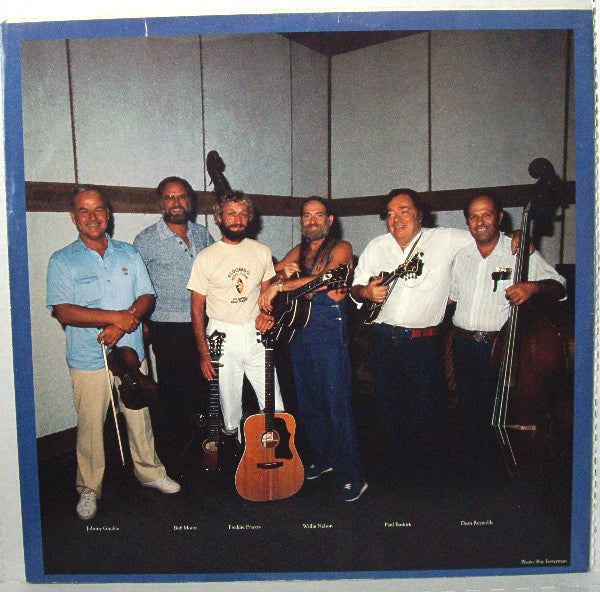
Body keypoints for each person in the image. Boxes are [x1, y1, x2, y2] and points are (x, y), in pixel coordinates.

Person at [46, 185, 180, 521]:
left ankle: (150, 472)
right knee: (90, 426)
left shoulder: (128, 253)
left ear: (108, 213)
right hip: (88, 358)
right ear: (74, 217)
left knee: (140, 416)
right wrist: (114, 317)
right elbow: (63, 311)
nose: (92, 217)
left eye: (98, 209)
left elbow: (146, 296)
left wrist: (123, 324)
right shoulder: (62, 259)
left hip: (132, 354)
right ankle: (89, 488)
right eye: (84, 210)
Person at [350, 188, 474, 471]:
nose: (396, 219)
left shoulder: (444, 239)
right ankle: (397, 473)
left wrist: (516, 237)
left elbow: (485, 237)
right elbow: (355, 288)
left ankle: (428, 476)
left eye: (404, 211)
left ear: (420, 215)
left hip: (423, 343)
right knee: (387, 410)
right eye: (390, 214)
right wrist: (365, 292)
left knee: (427, 411)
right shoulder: (377, 246)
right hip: (382, 339)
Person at [260, 197, 367, 502]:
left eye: (319, 215)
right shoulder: (299, 250)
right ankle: (324, 457)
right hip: (299, 328)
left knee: (336, 403)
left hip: (328, 328)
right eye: (307, 216)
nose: (312, 221)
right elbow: (268, 277)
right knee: (308, 402)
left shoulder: (342, 247)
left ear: (330, 220)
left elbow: (325, 281)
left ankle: (353, 476)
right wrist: (282, 275)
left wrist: (282, 285)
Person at [448, 193, 566, 468]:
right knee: (469, 415)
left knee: (502, 414)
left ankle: (505, 473)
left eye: (487, 214)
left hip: (500, 348)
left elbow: (559, 286)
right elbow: (452, 298)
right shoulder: (462, 256)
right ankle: (476, 472)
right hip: (463, 346)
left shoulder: (518, 250)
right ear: (467, 222)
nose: (480, 222)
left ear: (500, 217)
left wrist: (534, 287)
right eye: (473, 216)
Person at [133, 176, 214, 474]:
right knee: (174, 392)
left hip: (205, 322)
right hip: (169, 327)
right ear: (161, 203)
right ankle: (176, 458)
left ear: (189, 201)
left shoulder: (202, 234)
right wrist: (142, 322)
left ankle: (205, 450)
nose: (176, 202)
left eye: (181, 197)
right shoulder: (146, 240)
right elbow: (137, 286)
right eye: (169, 197)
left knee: (205, 388)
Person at [187, 190, 284, 440]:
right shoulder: (206, 257)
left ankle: (271, 458)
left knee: (274, 406)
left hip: (256, 335)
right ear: (219, 218)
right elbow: (196, 309)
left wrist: (266, 314)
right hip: (221, 337)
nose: (238, 219)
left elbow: (267, 295)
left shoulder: (261, 251)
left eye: (243, 214)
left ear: (250, 218)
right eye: (231, 213)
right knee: (231, 413)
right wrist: (203, 353)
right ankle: (239, 455)